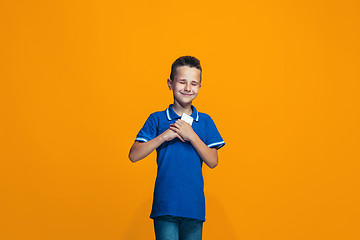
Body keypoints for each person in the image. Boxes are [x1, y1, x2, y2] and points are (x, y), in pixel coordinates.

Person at [128, 55, 225, 240]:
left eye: (194, 83)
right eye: (182, 82)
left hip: (194, 206)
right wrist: (164, 136)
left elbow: (213, 161)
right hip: (165, 205)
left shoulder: (205, 121)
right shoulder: (157, 118)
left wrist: (192, 135)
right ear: (170, 83)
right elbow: (133, 155)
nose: (188, 88)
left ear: (199, 87)